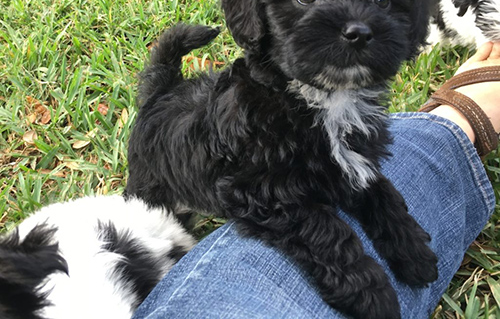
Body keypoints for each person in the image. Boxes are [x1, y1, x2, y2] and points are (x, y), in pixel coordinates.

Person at [132, 42, 500, 319]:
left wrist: (396, 227)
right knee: (149, 225)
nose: (356, 26)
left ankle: (450, 129)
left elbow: (360, 176)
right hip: (162, 169)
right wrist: (346, 268)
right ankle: (453, 127)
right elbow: (254, 198)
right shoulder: (260, 124)